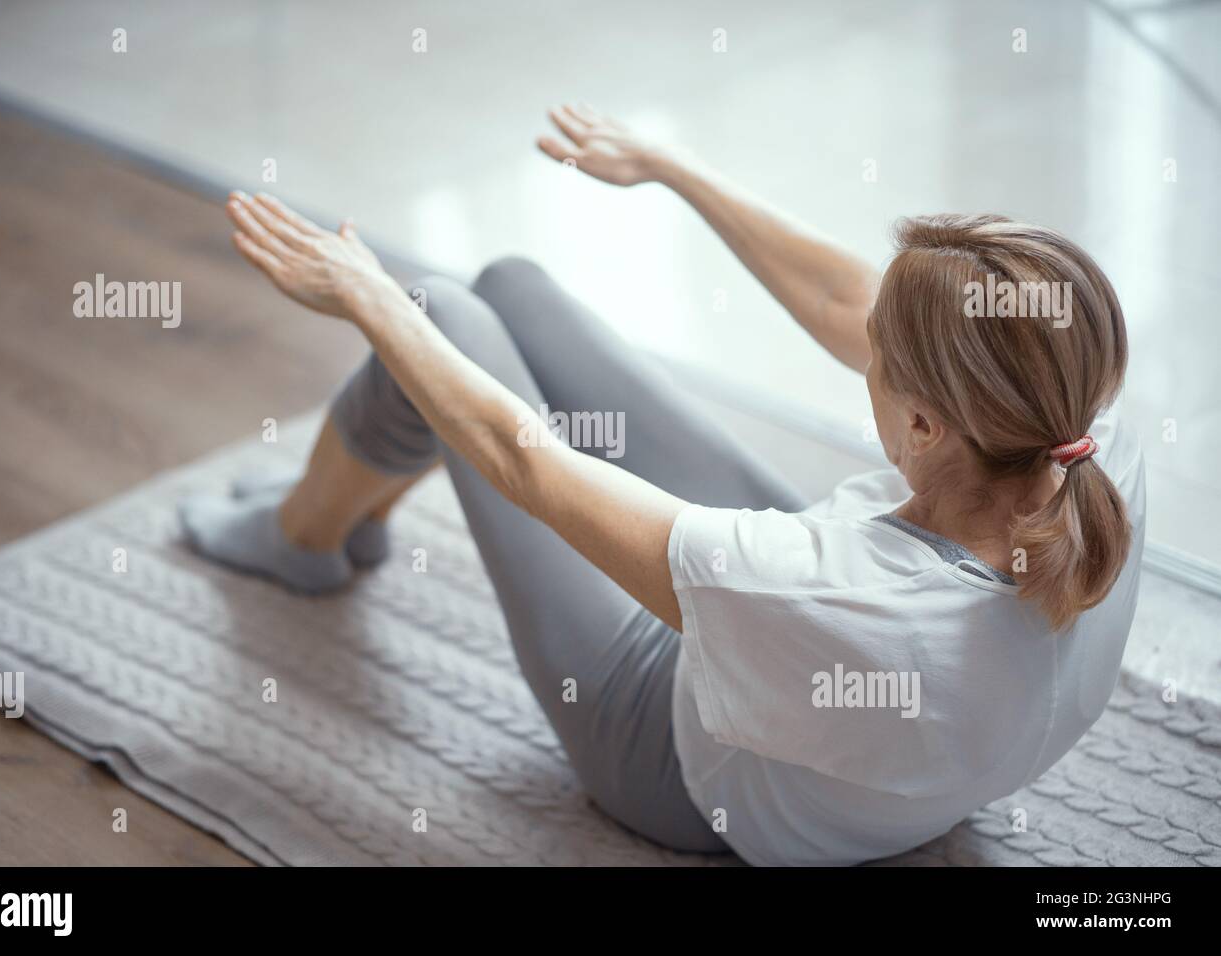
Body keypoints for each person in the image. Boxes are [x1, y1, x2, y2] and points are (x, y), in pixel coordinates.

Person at [179, 104, 1144, 865]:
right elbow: (860, 304)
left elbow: (525, 462)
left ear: (927, 426)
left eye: (880, 369)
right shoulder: (1086, 432)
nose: (867, 359)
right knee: (511, 288)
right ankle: (348, 518)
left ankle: (304, 538)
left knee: (431, 319)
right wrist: (674, 169)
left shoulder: (823, 589)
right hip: (833, 693)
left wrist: (368, 297)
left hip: (678, 764)